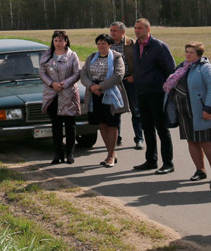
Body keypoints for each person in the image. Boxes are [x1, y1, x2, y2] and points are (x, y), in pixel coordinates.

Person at [163, 42, 211, 181]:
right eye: (187, 51)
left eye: (191, 52)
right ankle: (200, 171)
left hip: (201, 112)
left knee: (206, 142)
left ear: (199, 54)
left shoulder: (206, 68)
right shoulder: (182, 67)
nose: (188, 54)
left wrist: (208, 108)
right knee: (192, 141)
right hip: (184, 112)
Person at [131, 18, 176, 174]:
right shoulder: (136, 46)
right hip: (142, 93)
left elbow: (170, 71)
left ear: (148, 30)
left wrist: (165, 91)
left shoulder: (159, 47)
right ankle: (151, 160)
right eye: (135, 28)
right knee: (147, 128)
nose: (137, 31)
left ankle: (168, 163)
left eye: (140, 28)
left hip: (157, 93)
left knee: (162, 129)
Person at [81, 33, 128, 167]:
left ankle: (110, 156)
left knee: (112, 124)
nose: (101, 46)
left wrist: (101, 86)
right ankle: (111, 153)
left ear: (110, 45)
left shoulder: (117, 57)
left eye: (104, 43)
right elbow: (83, 74)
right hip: (94, 95)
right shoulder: (91, 57)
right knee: (101, 124)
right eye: (99, 43)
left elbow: (118, 75)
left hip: (110, 94)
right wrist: (91, 86)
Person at [40, 30, 82, 165]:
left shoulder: (72, 56)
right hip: (52, 94)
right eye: (56, 40)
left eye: (61, 40)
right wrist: (52, 84)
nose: (58, 43)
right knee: (56, 125)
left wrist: (64, 84)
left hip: (68, 93)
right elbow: (42, 73)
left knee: (70, 125)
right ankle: (58, 153)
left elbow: (77, 73)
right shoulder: (46, 56)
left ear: (66, 41)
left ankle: (70, 153)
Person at [109, 21, 142, 150]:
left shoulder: (132, 44)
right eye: (111, 31)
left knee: (136, 111)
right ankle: (117, 138)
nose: (112, 33)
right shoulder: (108, 44)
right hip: (115, 82)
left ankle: (139, 138)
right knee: (116, 111)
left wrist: (134, 76)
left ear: (122, 32)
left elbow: (140, 63)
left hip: (130, 81)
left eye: (114, 31)